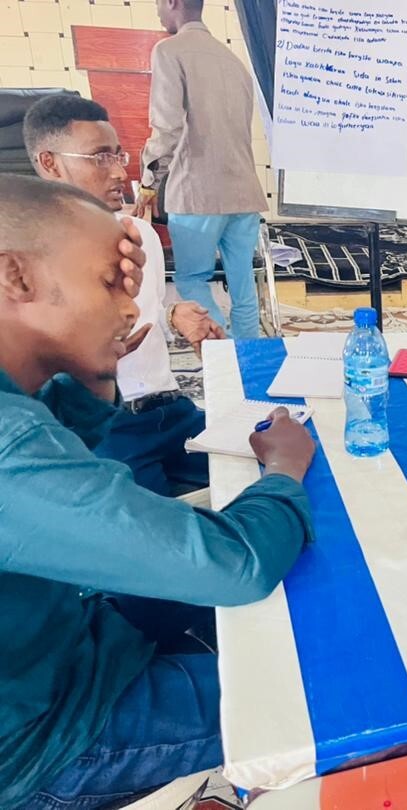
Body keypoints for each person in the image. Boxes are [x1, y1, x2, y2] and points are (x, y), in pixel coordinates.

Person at [0, 175, 315, 808]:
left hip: (67, 649)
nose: (129, 309)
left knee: (292, 621)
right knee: (322, 684)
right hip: (49, 737)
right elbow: (235, 567)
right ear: (16, 277)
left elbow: (54, 464)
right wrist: (284, 470)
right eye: (108, 282)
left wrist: (97, 371)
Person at [24, 93, 226, 496]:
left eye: (119, 155)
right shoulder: (26, 260)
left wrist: (174, 316)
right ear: (50, 163)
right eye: (100, 158)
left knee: (264, 468)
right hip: (109, 425)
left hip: (173, 410)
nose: (120, 172)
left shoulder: (140, 234)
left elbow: (147, 306)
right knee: (167, 537)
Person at [134, 0, 267, 339]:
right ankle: (249, 356)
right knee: (242, 284)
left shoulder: (169, 51)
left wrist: (149, 182)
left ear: (172, 2)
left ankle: (222, 353)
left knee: (192, 279)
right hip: (245, 192)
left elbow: (167, 128)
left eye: (157, 5)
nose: (157, 13)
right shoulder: (235, 62)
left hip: (197, 194)